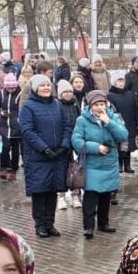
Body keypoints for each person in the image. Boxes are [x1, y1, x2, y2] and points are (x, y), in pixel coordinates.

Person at [20, 74, 74, 238]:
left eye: (48, 85)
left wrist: (64, 146)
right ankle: (40, 225)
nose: (46, 88)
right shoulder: (28, 107)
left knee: (53, 191)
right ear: (36, 88)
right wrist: (44, 149)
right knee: (40, 191)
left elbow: (67, 126)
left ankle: (50, 224)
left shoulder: (57, 105)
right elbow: (28, 131)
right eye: (42, 85)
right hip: (38, 157)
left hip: (57, 156)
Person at [72, 90, 128, 240]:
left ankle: (104, 223)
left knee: (106, 195)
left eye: (102, 104)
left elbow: (123, 135)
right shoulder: (82, 120)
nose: (99, 107)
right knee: (91, 196)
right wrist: (96, 148)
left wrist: (108, 122)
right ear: (90, 105)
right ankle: (88, 227)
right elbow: (76, 141)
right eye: (96, 104)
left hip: (109, 164)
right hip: (92, 164)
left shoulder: (113, 117)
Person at [57, 81, 83, 212]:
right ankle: (61, 196)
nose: (68, 94)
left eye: (70, 91)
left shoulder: (75, 105)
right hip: (62, 142)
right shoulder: (56, 105)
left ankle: (75, 194)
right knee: (62, 169)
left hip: (75, 140)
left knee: (76, 169)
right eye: (65, 92)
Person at [0, 74, 23, 181]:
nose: (10, 90)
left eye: (12, 87)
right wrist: (1, 112)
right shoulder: (1, 93)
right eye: (8, 87)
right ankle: (3, 167)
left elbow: (23, 108)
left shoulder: (20, 94)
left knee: (15, 150)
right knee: (4, 147)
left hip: (16, 126)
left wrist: (19, 118)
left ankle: (13, 170)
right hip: (4, 125)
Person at [108, 72, 138, 173]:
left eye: (122, 81)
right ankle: (119, 165)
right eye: (119, 81)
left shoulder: (130, 94)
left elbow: (136, 108)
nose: (121, 83)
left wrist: (137, 123)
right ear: (114, 82)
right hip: (118, 123)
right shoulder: (110, 95)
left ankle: (127, 165)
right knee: (119, 145)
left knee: (128, 145)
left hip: (130, 122)